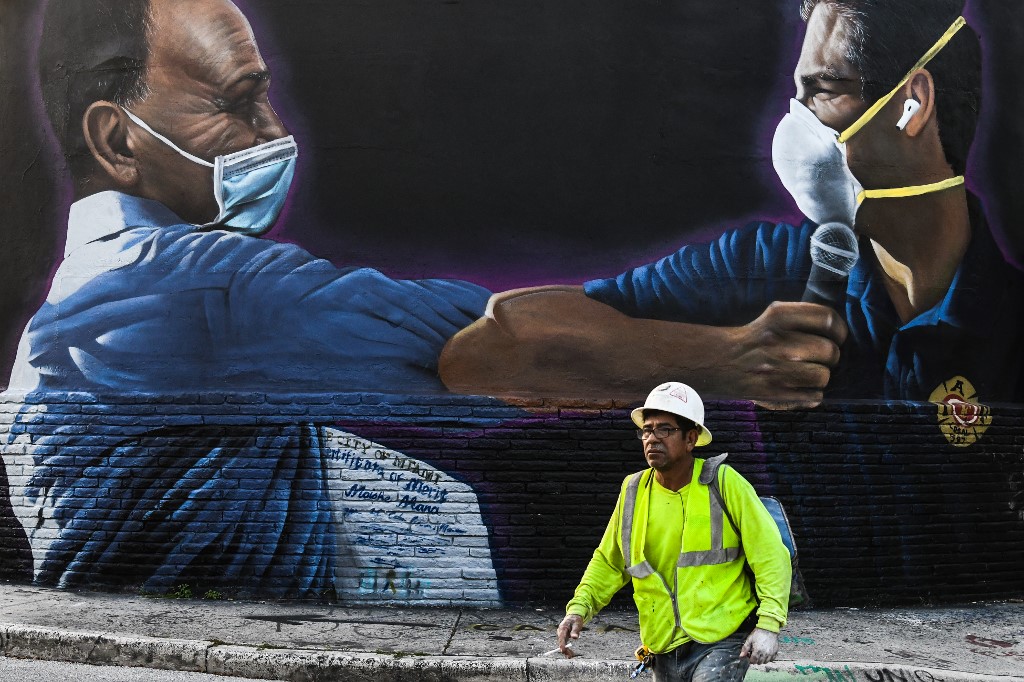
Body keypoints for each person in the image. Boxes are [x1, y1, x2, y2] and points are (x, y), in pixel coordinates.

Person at [0, 0, 498, 599]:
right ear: (118, 141)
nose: (275, 132)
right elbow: (504, 341)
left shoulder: (84, 295)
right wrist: (605, 312)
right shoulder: (182, 286)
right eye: (235, 104)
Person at [440, 0, 1024, 411]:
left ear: (912, 104)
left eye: (824, 90)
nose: (794, 126)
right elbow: (484, 354)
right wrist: (722, 360)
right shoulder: (768, 267)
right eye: (797, 95)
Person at [556, 382, 790, 681]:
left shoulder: (723, 483)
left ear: (691, 438)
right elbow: (609, 561)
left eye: (664, 429)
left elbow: (770, 554)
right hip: (663, 642)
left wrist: (769, 624)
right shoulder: (633, 490)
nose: (652, 438)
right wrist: (579, 609)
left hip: (722, 638)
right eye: (647, 430)